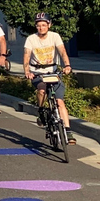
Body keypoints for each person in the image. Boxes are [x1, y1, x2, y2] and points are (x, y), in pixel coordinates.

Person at [24, 13, 76, 144]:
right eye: (38, 25)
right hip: (38, 73)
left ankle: (68, 131)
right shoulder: (31, 39)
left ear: (49, 25)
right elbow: (26, 55)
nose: (41, 28)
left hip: (53, 73)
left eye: (43, 25)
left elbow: (62, 51)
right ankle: (41, 110)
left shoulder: (55, 36)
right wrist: (27, 71)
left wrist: (67, 66)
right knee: (41, 91)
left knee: (60, 102)